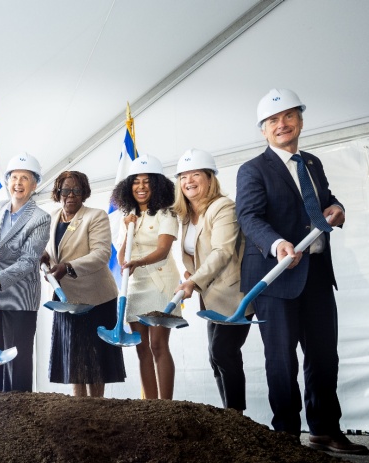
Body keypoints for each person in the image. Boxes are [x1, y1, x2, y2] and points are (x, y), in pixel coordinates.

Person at [236, 89, 365, 454]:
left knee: (324, 356)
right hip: (276, 280)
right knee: (281, 359)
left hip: (318, 276)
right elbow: (249, 217)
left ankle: (325, 430)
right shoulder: (253, 170)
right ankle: (287, 437)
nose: (282, 124)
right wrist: (278, 245)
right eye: (273, 121)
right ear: (263, 131)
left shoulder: (311, 163)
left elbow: (324, 201)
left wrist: (336, 207)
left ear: (301, 122)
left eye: (289, 116)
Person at [172, 149, 251, 411]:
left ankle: (236, 416)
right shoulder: (185, 215)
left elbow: (222, 251)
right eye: (183, 176)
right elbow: (196, 253)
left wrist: (194, 281)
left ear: (210, 178)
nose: (189, 181)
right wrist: (189, 274)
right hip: (210, 297)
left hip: (234, 295)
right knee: (216, 358)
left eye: (196, 174)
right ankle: (230, 416)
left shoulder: (223, 207)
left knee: (224, 353)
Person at [41, 171, 125, 397]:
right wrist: (44, 257)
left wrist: (67, 267)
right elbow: (53, 253)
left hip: (96, 299)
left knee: (96, 363)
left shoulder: (95, 216)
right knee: (73, 360)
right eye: (66, 190)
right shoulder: (52, 218)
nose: (71, 195)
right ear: (58, 192)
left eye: (76, 190)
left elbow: (101, 254)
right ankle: (79, 411)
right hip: (66, 300)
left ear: (84, 193)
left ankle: (97, 413)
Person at [109, 154, 179, 400]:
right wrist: (128, 228)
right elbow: (120, 259)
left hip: (160, 283)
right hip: (134, 286)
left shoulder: (166, 213)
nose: (141, 187)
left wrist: (137, 262)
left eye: (147, 181)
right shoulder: (127, 216)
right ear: (128, 187)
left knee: (158, 345)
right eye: (136, 182)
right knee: (142, 350)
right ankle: (149, 406)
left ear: (157, 184)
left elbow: (163, 251)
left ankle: (165, 406)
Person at [0, 154, 50, 392]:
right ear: (8, 181)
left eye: (25, 178)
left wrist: (2, 278)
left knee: (17, 362)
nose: (18, 183)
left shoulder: (40, 218)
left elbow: (29, 259)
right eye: (14, 177)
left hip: (20, 296)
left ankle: (20, 413)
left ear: (34, 184)